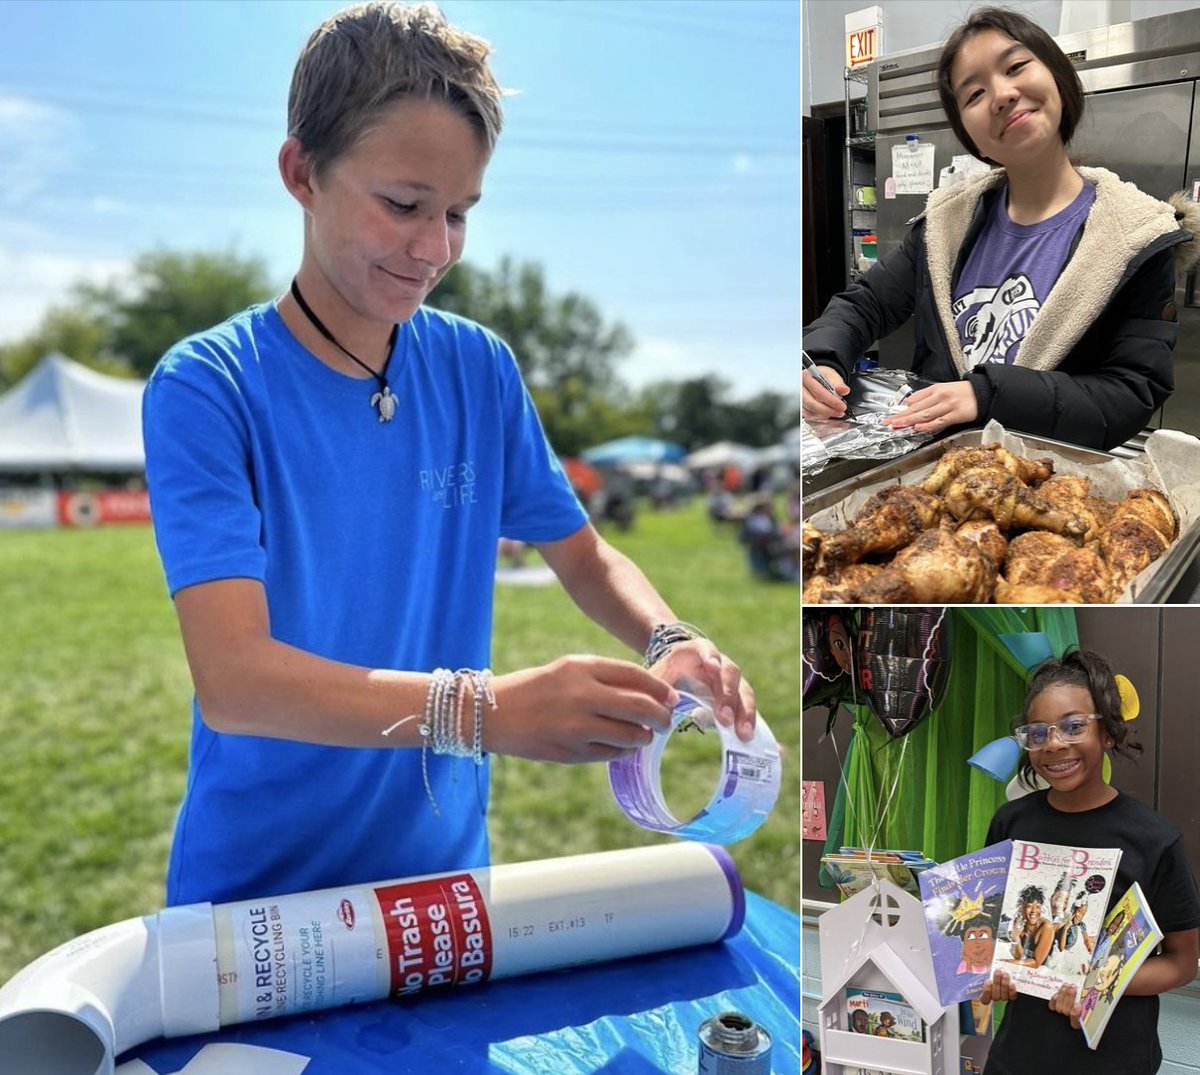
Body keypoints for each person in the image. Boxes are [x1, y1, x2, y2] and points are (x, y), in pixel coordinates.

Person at [141, 1, 757, 908]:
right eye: (403, 205)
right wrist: (485, 711)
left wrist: (672, 637)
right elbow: (236, 682)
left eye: (460, 213)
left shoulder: (479, 367)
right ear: (301, 173)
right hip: (256, 895)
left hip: (444, 883)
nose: (434, 249)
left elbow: (583, 555)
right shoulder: (208, 385)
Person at [802, 7, 1200, 451]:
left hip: (1051, 478)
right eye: (974, 94)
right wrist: (821, 360)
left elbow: (1130, 392)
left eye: (1015, 67)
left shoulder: (1136, 237)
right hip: (940, 470)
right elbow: (865, 304)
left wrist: (988, 394)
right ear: (968, 133)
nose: (1002, 95)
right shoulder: (944, 226)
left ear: (1058, 77)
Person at [979, 650, 1200, 1075]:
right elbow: (996, 928)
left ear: (1108, 734)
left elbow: (1182, 963)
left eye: (1073, 726)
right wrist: (992, 972)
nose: (1054, 744)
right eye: (1038, 733)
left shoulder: (1154, 839)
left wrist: (1095, 987)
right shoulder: (1011, 822)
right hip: (1019, 1056)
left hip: (1113, 1060)